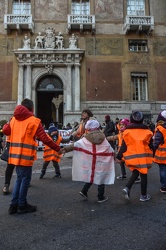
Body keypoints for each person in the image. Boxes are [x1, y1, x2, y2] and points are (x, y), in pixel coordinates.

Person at [2, 98, 61, 215]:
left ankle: (13, 205)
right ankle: (22, 205)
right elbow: (45, 138)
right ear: (31, 108)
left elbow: (6, 131)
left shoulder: (13, 119)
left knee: (19, 178)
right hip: (25, 156)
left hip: (14, 155)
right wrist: (58, 148)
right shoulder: (34, 121)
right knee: (24, 179)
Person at [61, 119, 115, 203]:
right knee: (100, 177)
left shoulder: (86, 138)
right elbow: (109, 149)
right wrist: (116, 157)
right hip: (101, 161)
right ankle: (100, 197)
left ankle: (84, 191)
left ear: (88, 128)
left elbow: (76, 145)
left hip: (90, 161)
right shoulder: (103, 137)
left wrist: (65, 149)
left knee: (91, 175)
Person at [116, 111, 154, 202]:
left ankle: (127, 188)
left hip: (132, 157)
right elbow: (151, 146)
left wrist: (118, 157)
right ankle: (143, 195)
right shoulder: (148, 132)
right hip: (144, 158)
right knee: (143, 175)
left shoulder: (127, 132)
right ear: (142, 120)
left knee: (135, 173)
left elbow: (124, 147)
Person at [153, 110, 166, 193]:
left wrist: (152, 149)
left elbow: (156, 142)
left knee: (163, 170)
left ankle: (164, 187)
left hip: (163, 154)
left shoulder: (160, 129)